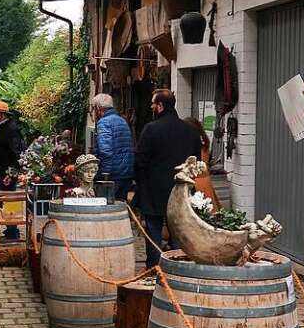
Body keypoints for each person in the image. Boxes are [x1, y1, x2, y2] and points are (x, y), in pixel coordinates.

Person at [135, 89, 202, 268]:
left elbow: (140, 161)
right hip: (181, 190)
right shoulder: (191, 130)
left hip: (153, 191)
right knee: (179, 232)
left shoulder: (151, 129)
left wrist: (139, 187)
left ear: (160, 106)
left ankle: (155, 270)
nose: (151, 106)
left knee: (153, 233)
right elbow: (196, 162)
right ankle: (178, 269)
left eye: (153, 103)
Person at [0, 100, 24, 239]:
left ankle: (12, 230)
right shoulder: (0, 128)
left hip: (7, 173)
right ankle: (10, 229)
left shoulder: (11, 129)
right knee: (5, 200)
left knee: (11, 199)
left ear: (2, 115)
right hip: (0, 171)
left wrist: (11, 173)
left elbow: (17, 153)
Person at [91, 93, 134, 200]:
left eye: (93, 108)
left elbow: (105, 151)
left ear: (98, 108)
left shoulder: (104, 122)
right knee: (120, 209)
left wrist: (105, 175)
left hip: (112, 175)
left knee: (106, 211)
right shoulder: (122, 121)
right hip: (126, 173)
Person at [184, 116, 220, 208]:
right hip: (205, 178)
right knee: (209, 209)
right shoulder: (204, 140)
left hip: (196, 180)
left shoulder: (193, 142)